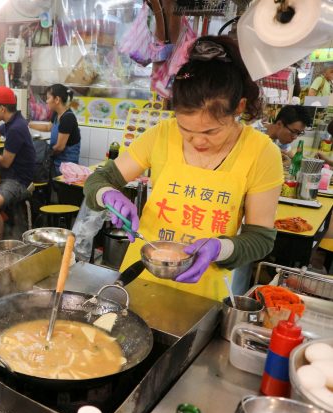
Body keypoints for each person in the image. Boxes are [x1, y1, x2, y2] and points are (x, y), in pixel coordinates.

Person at [84, 36, 283, 301]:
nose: (198, 141)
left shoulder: (261, 152)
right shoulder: (161, 134)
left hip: (202, 290)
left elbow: (260, 238)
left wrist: (220, 248)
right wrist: (107, 195)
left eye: (212, 131)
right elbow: (100, 179)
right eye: (185, 129)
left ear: (239, 107)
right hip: (140, 277)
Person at [0, 86, 36, 239]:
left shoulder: (16, 129)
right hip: (11, 176)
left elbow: (5, 162)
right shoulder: (13, 121)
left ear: (2, 108)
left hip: (18, 181)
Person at [29, 83, 81, 176]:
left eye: (48, 98)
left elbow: (60, 147)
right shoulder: (57, 114)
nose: (46, 101)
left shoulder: (67, 118)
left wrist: (46, 153)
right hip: (57, 163)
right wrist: (28, 124)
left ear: (57, 99)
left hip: (67, 167)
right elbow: (48, 127)